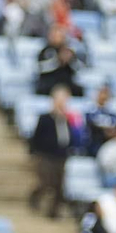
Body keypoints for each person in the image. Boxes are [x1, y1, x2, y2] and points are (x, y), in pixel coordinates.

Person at [28, 87, 80, 219]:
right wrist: (34, 152)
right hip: (46, 155)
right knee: (46, 181)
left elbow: (72, 135)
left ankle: (53, 211)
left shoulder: (67, 119)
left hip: (61, 156)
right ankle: (35, 198)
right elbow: (36, 136)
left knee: (59, 185)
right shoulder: (45, 118)